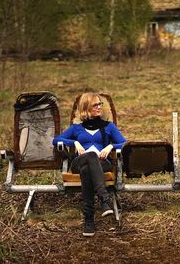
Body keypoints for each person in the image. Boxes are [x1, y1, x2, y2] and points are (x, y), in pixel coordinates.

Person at [53, 93, 126, 237]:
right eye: (95, 105)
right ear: (86, 108)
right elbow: (56, 140)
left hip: (102, 163)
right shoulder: (76, 128)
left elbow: (124, 143)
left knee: (87, 170)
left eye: (100, 104)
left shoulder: (108, 127)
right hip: (78, 163)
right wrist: (74, 142)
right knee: (89, 157)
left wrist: (110, 147)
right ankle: (104, 199)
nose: (99, 107)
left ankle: (89, 219)